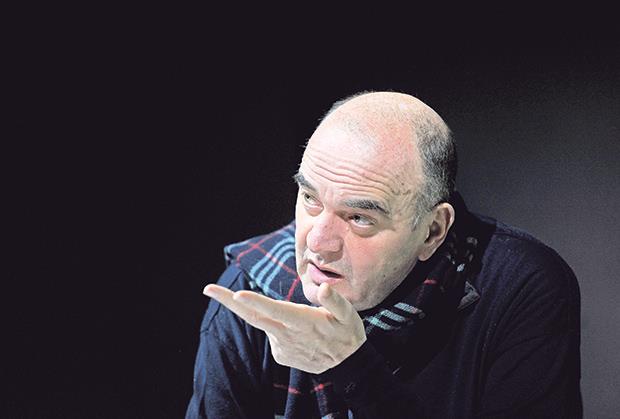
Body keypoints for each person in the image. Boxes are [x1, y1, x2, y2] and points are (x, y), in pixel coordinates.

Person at [185, 91, 582, 418]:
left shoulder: (520, 288)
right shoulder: (249, 293)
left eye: (359, 218)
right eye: (310, 199)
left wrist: (352, 365)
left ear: (432, 231)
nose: (318, 243)